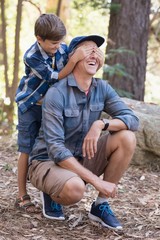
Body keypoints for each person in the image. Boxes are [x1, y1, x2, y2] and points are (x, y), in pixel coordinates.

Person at [28, 35, 139, 230]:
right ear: (74, 57)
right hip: (47, 161)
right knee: (74, 189)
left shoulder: (102, 88)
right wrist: (97, 181)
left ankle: (101, 205)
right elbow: (56, 150)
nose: (94, 54)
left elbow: (132, 120)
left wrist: (101, 124)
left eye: (97, 51)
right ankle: (51, 190)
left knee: (127, 137)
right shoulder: (57, 92)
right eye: (88, 50)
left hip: (81, 158)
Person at [15, 14, 94, 219]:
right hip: (30, 105)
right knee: (26, 148)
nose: (58, 47)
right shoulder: (31, 55)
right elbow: (55, 76)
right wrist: (74, 59)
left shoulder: (61, 47)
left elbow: (73, 64)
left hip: (50, 107)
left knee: (52, 146)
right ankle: (22, 195)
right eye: (53, 44)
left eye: (60, 43)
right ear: (39, 39)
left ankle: (50, 188)